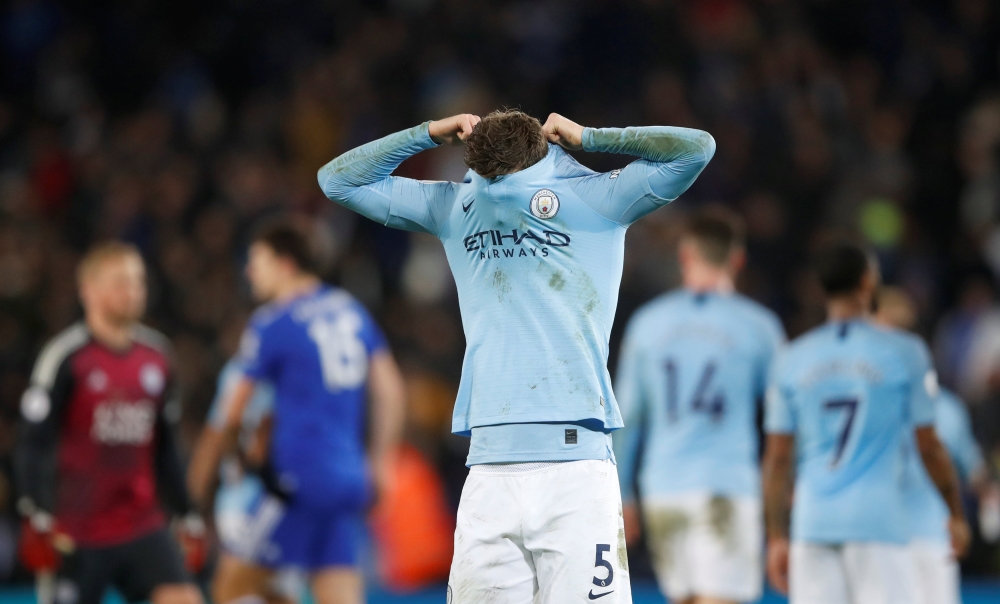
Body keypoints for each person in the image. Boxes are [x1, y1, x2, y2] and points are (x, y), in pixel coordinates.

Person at [318, 110, 715, 603]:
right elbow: (697, 148)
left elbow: (338, 181)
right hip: (554, 466)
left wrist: (429, 133)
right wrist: (590, 137)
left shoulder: (458, 204)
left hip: (511, 468)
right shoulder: (596, 197)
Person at [196, 223, 405, 604]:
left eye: (258, 261)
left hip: (296, 480)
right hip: (348, 477)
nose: (250, 271)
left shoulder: (272, 322)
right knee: (337, 594)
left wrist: (221, 469)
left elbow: (231, 411)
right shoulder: (351, 311)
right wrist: (380, 461)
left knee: (231, 587)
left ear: (285, 264)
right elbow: (390, 388)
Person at [762, 241, 970, 604]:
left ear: (820, 288)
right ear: (867, 282)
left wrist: (777, 535)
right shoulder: (906, 352)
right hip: (879, 524)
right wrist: (954, 512)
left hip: (813, 525)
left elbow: (778, 457)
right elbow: (929, 446)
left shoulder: (791, 358)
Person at [14, 242, 204, 604]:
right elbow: (33, 443)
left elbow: (166, 446)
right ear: (89, 291)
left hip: (141, 523)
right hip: (76, 528)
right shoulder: (66, 358)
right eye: (120, 282)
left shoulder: (158, 356)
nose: (132, 292)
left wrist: (186, 511)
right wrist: (34, 510)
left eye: (137, 282)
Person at [613, 207, 784, 604]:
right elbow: (785, 421)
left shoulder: (647, 324)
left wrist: (622, 493)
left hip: (662, 489)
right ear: (737, 260)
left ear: (685, 256)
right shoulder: (759, 327)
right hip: (727, 486)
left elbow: (627, 416)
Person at [875, 286, 999, 604]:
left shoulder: (863, 402)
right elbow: (974, 472)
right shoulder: (945, 407)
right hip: (915, 542)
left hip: (887, 542)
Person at [187, 354, 303, 604]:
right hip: (280, 500)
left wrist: (190, 508)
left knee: (238, 591)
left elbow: (216, 437)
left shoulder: (240, 370)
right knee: (274, 592)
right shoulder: (299, 373)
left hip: (244, 501)